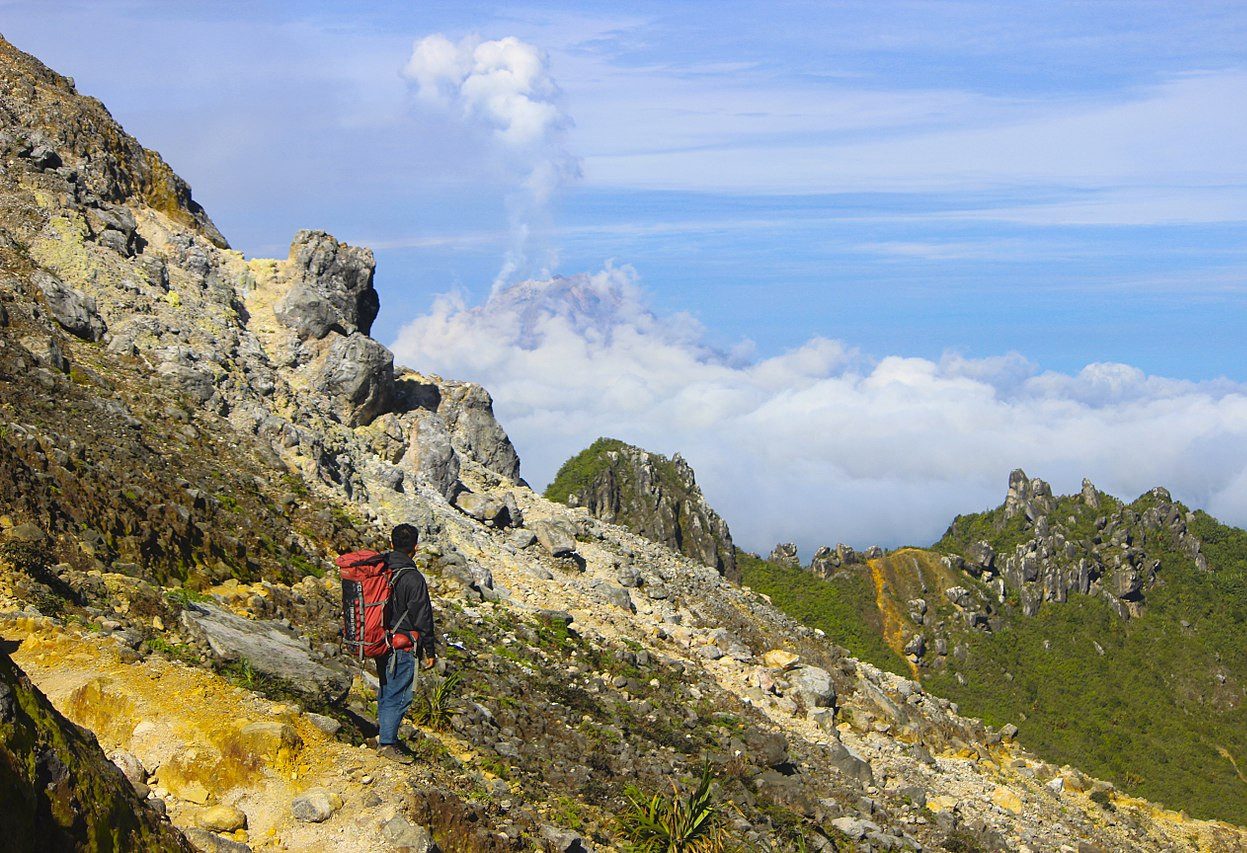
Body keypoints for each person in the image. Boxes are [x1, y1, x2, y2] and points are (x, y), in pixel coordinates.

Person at [376, 523, 436, 764]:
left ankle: (384, 735)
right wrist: (429, 651)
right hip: (403, 645)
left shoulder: (380, 569)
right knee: (399, 694)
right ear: (416, 548)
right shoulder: (414, 578)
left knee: (385, 688)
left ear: (391, 544)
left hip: (380, 639)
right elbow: (423, 617)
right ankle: (387, 744)